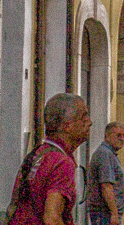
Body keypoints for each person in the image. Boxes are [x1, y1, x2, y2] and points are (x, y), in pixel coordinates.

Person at [10, 95, 92, 225]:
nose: (89, 122)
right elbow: (52, 219)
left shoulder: (37, 154)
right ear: (67, 126)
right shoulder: (62, 163)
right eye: (83, 117)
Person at [89, 123, 124, 225]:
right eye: (118, 135)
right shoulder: (104, 154)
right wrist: (114, 213)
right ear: (107, 136)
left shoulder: (110, 154)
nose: (122, 139)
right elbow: (106, 186)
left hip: (106, 215)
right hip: (104, 215)